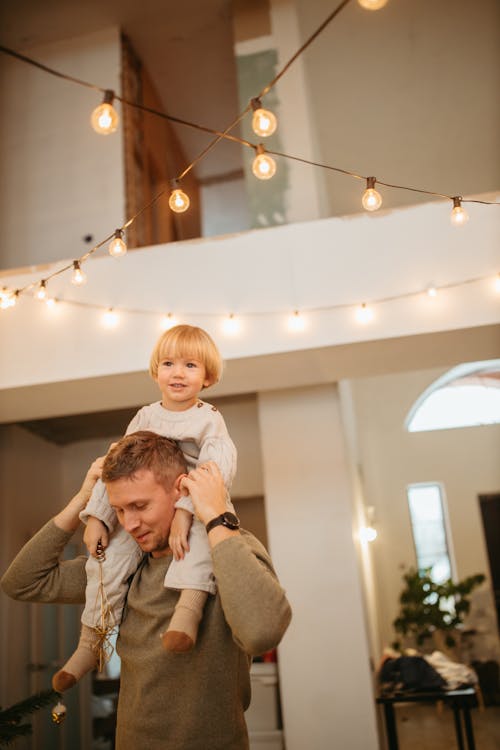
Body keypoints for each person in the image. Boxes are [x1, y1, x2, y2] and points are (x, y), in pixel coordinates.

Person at [1, 431, 292, 750]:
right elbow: (21, 582)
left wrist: (215, 516)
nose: (129, 523)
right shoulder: (123, 568)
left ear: (180, 489)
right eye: (120, 509)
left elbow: (262, 632)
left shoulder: (228, 548)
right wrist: (84, 500)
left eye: (140, 506)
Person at [54, 324, 238, 692]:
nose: (178, 373)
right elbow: (118, 467)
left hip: (196, 497)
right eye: (168, 363)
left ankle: (186, 613)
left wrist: (187, 510)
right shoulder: (145, 417)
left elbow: (217, 465)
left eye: (190, 365)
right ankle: (91, 640)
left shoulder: (208, 419)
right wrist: (97, 517)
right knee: (106, 560)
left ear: (208, 376)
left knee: (197, 544)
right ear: (156, 372)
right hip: (149, 500)